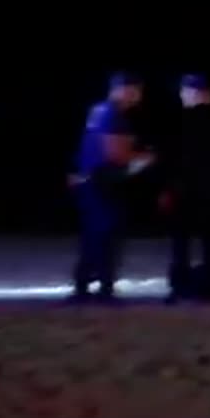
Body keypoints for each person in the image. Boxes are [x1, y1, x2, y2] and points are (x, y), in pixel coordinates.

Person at [68, 72, 151, 302]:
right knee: (108, 235)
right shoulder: (115, 115)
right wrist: (143, 159)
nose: (137, 96)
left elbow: (88, 144)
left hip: (90, 181)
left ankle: (83, 285)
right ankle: (104, 289)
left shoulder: (97, 110)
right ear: (122, 89)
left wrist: (78, 171)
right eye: (134, 90)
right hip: (105, 183)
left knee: (93, 235)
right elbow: (116, 155)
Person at [158, 74, 210, 302]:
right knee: (209, 243)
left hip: (184, 190)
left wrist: (165, 189)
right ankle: (209, 291)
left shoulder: (177, 122)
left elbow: (167, 158)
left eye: (185, 92)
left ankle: (180, 289)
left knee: (182, 243)